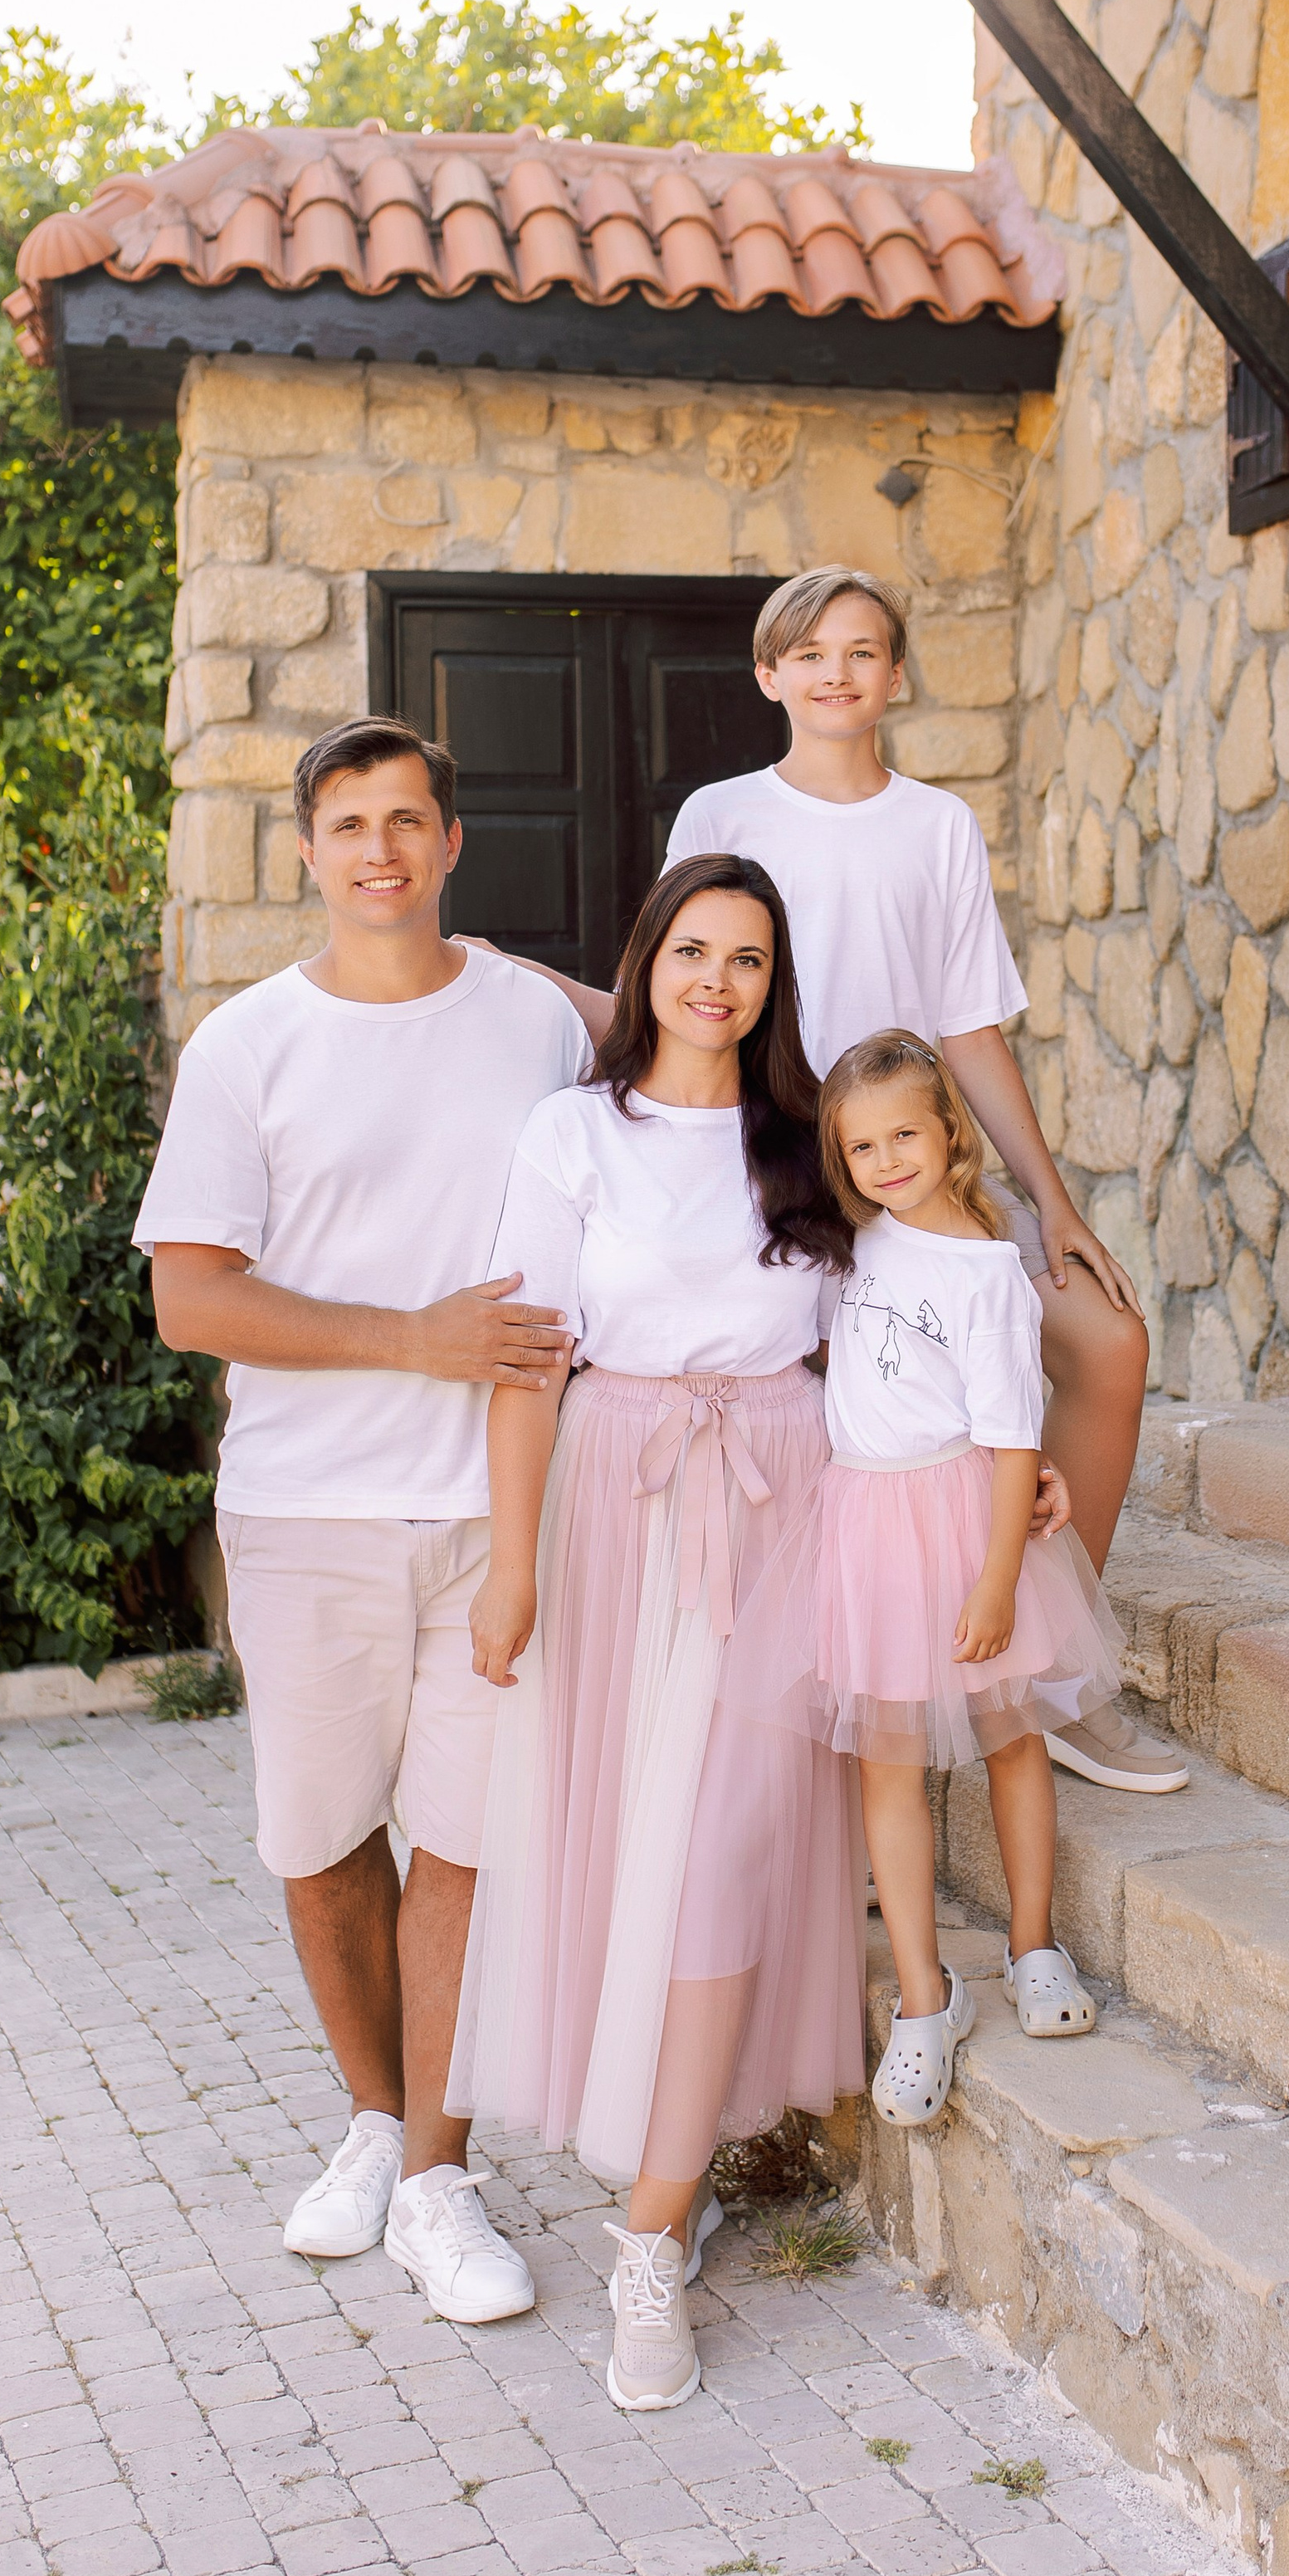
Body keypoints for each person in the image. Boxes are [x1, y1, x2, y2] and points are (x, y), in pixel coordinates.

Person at [137, 716, 588, 2324]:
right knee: (324, 1843)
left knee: (462, 1845)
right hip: (305, 1506)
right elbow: (191, 1301)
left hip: (493, 1509)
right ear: (308, 851)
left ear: (452, 843)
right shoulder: (247, 1046)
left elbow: (702, 1024)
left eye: (407, 819)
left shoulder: (539, 1018)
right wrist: (416, 1340)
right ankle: (379, 2123)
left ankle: (438, 2181)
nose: (380, 849)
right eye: (348, 824)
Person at [450, 854, 862, 2414]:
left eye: (747, 959)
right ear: (647, 963)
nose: (716, 982)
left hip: (785, 1501)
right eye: (693, 950)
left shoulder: (807, 1140)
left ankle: (645, 2242)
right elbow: (527, 1358)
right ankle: (667, 2188)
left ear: (773, 984)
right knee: (641, 1850)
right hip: (620, 1502)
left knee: (728, 1853)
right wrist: (513, 1566)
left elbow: (873, 1340)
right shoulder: (574, 1133)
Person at [661, 567, 1182, 1797]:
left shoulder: (937, 823)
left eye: (862, 651)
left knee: (1108, 1343)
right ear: (769, 675)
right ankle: (833, 1737)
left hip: (917, 1178)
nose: (836, 672)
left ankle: (1052, 1682)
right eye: (809, 652)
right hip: (785, 1173)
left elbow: (970, 1029)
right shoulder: (721, 813)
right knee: (847, 1427)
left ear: (896, 675)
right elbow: (682, 991)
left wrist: (1051, 1202)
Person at [806, 1029, 1121, 2122]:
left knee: (1010, 1736)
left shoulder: (988, 1272)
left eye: (904, 1135)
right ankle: (925, 1999)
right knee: (886, 1763)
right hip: (863, 1526)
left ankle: (1034, 1946)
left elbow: (1011, 1435)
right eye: (862, 1147)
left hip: (964, 1521)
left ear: (950, 1133)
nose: (886, 1160)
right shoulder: (856, 1243)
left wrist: (996, 1579)